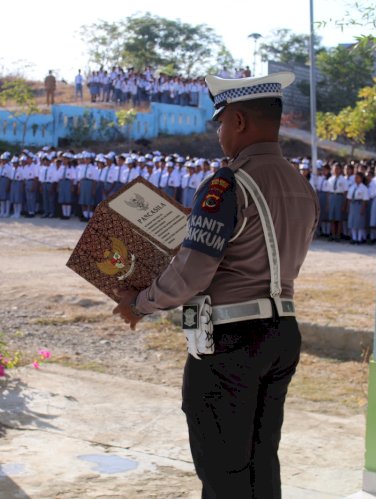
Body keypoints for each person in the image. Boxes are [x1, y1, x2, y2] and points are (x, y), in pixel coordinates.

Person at [113, 72, 319, 498]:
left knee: (223, 470)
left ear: (239, 121)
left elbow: (192, 273)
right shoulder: (302, 184)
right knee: (263, 461)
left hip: (231, 342)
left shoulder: (226, 184)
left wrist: (141, 303)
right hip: (282, 332)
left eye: (220, 122)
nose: (219, 133)